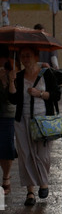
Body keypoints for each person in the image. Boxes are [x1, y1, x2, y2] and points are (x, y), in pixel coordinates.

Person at [8, 45, 61, 206]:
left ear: (36, 56)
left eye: (28, 56)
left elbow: (56, 95)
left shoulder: (47, 74)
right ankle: (30, 191)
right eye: (22, 56)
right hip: (22, 120)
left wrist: (40, 94)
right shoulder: (19, 76)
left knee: (43, 155)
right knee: (26, 155)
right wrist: (11, 82)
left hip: (43, 120)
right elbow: (14, 100)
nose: (25, 59)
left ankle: (43, 182)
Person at [0, 46, 16, 195]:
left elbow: (13, 97)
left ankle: (6, 177)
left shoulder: (13, 72)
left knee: (6, 147)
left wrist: (9, 81)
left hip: (8, 114)